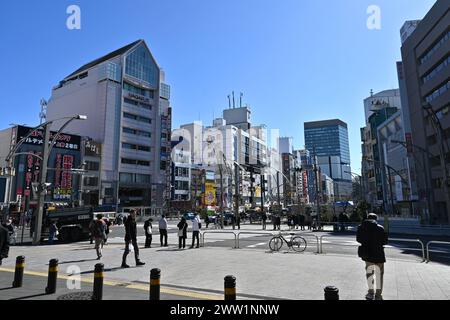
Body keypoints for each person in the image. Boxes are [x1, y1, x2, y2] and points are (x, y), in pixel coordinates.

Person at [357, 213, 388, 301]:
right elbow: (385, 241)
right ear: (376, 219)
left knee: (369, 274)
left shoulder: (361, 227)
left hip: (367, 255)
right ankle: (378, 295)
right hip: (379, 255)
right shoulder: (381, 228)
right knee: (379, 274)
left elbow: (358, 239)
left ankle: (371, 292)